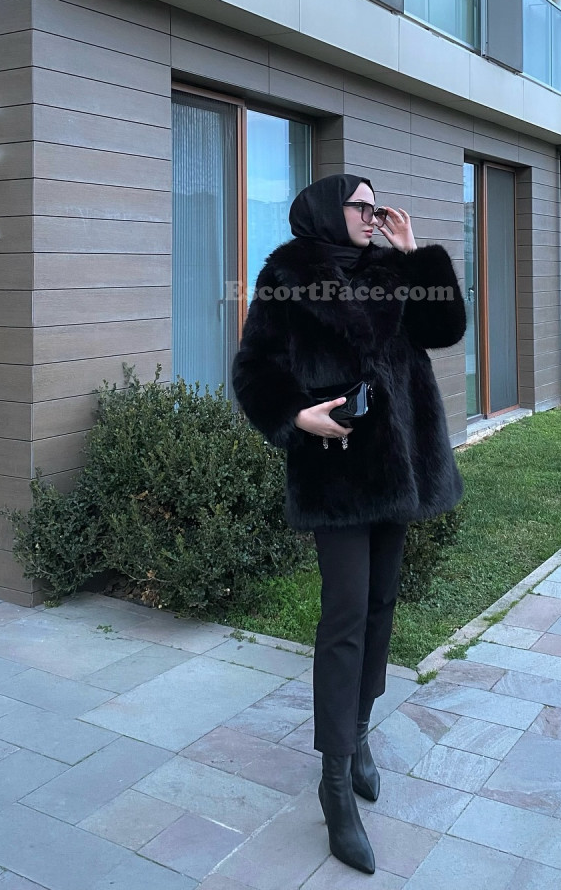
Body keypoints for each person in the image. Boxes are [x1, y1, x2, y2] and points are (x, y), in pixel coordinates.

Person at [230, 173, 466, 875]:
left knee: (382, 602)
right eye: (360, 205)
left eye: (374, 204)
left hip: (401, 466)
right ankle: (334, 781)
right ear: (328, 212)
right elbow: (253, 369)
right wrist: (296, 417)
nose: (372, 214)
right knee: (344, 615)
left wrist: (415, 253)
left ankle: (359, 731)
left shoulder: (391, 269)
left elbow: (445, 330)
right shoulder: (286, 277)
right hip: (336, 474)